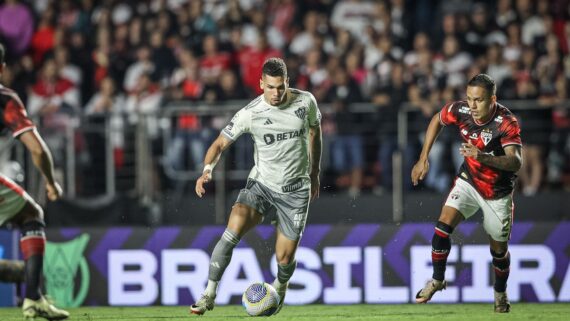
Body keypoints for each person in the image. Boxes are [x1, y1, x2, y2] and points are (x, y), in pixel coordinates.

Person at [190, 57, 322, 315]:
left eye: (280, 87)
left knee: (284, 259)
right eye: (270, 87)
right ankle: (208, 293)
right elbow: (218, 144)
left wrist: (315, 172)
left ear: (287, 83)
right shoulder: (251, 113)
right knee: (233, 227)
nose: (276, 93)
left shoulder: (306, 102)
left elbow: (315, 133)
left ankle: (280, 288)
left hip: (295, 192)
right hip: (261, 185)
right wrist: (206, 171)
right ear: (261, 83)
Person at [411, 74, 523, 313]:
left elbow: (516, 162)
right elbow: (437, 119)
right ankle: (437, 280)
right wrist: (423, 158)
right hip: (469, 182)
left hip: (497, 194)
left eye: (479, 100)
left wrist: (481, 156)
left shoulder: (506, 122)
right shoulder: (460, 110)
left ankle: (500, 292)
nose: (472, 105)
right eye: (469, 99)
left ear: (492, 99)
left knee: (499, 252)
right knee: (442, 227)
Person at [0, 43, 69, 319]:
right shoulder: (5, 99)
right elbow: (38, 149)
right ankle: (33, 297)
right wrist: (51, 182)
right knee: (32, 213)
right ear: (2, 68)